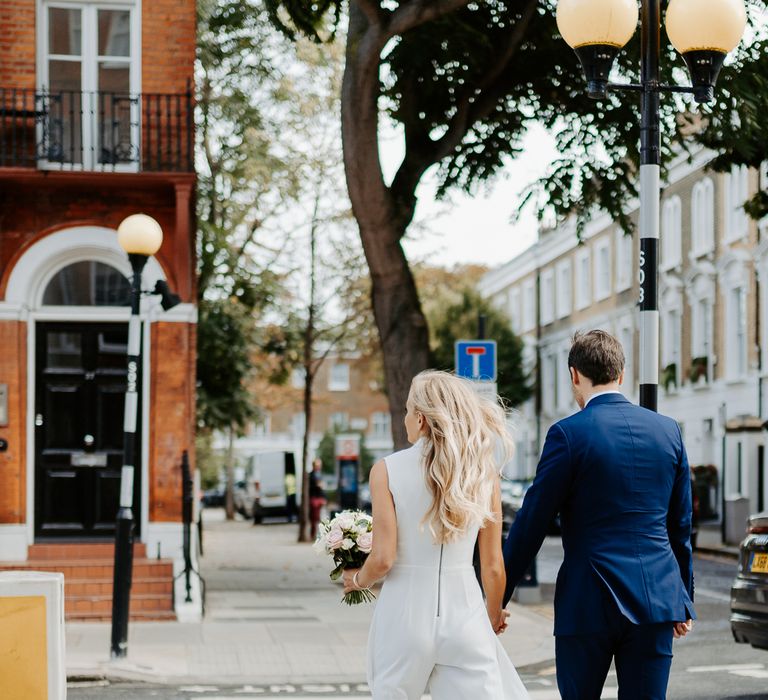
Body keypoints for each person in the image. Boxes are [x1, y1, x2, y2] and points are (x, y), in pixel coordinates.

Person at [502, 330, 695, 700]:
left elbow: (532, 522)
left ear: (575, 375)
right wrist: (683, 595)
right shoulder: (668, 431)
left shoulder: (567, 434)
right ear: (621, 374)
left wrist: (498, 596)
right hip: (656, 598)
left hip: (587, 600)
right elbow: (680, 526)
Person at [343, 371, 529, 699]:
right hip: (466, 616)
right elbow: (493, 567)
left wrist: (357, 580)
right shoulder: (482, 474)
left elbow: (384, 559)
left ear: (421, 419)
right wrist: (492, 615)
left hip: (403, 617)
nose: (404, 419)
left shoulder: (386, 470)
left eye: (407, 411)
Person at [309, 458, 326, 540]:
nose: (319, 467)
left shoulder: (320, 474)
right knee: (314, 517)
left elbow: (322, 488)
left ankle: (319, 535)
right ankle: (313, 535)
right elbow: (311, 487)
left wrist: (323, 498)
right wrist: (317, 485)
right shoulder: (311, 475)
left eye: (320, 465)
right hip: (314, 498)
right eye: (317, 465)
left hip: (319, 498)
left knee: (320, 517)